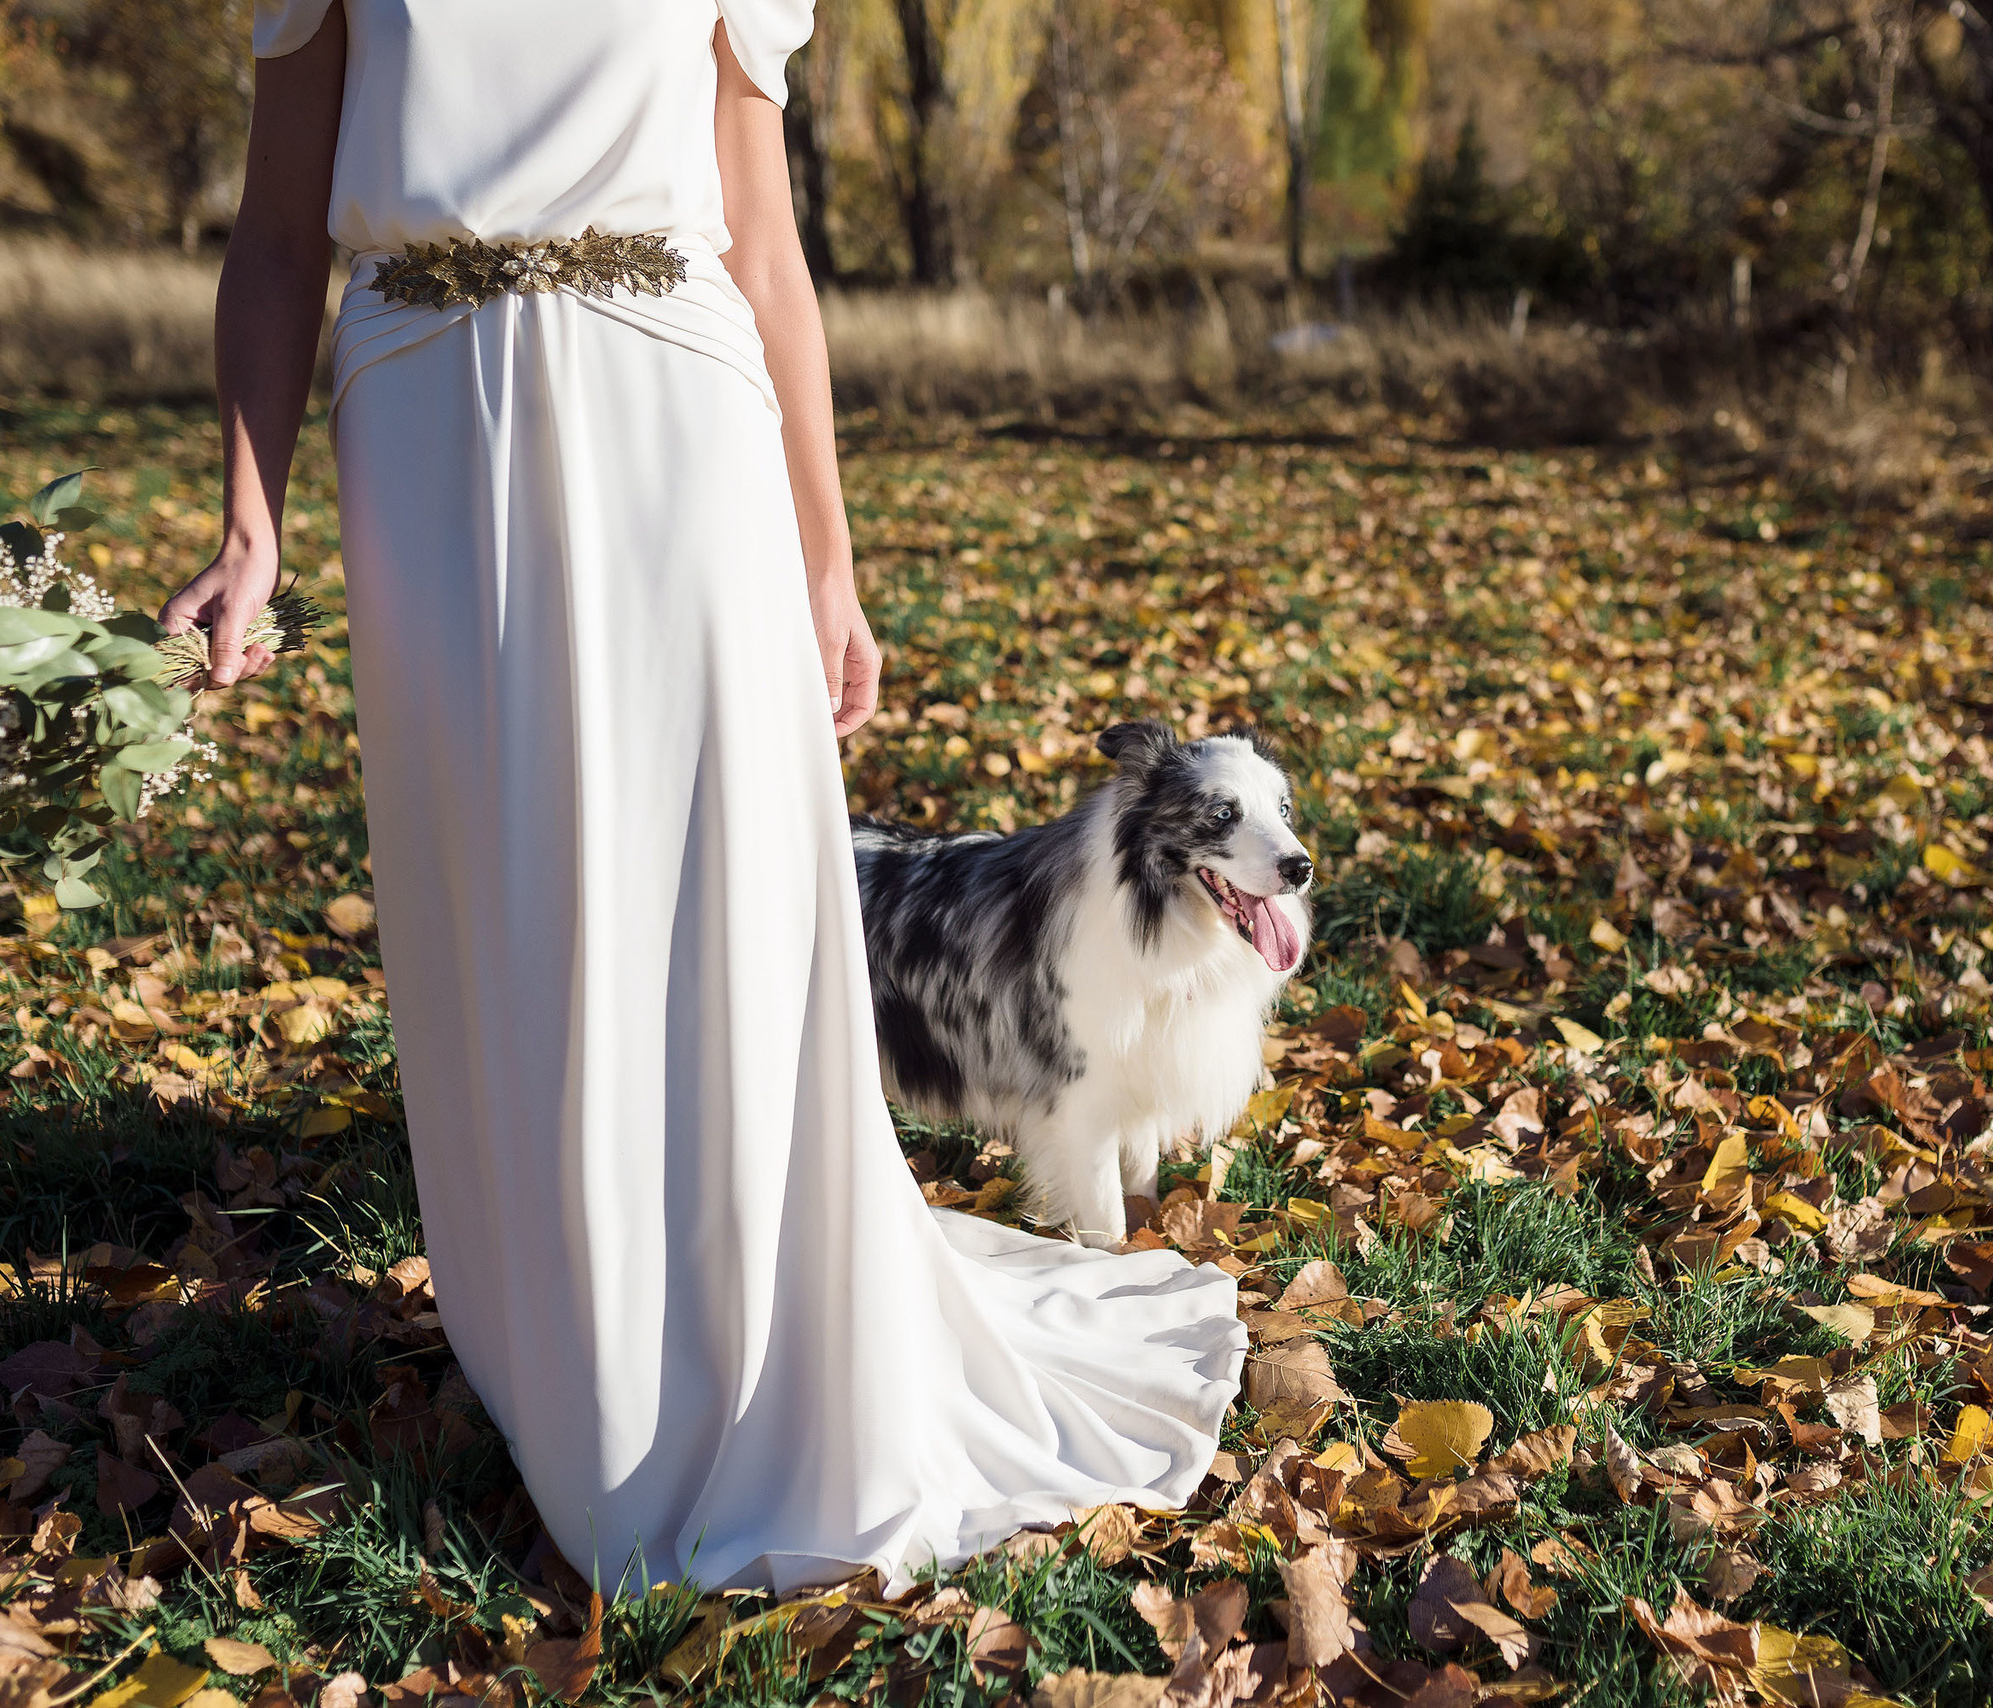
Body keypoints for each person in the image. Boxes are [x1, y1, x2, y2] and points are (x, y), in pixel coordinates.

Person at [162, 0, 1244, 1595]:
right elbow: (272, 235)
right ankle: (570, 1355)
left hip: (683, 420)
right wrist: (250, 523)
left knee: (722, 909)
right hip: (425, 432)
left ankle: (764, 1364)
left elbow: (764, 237)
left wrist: (829, 560)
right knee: (507, 919)